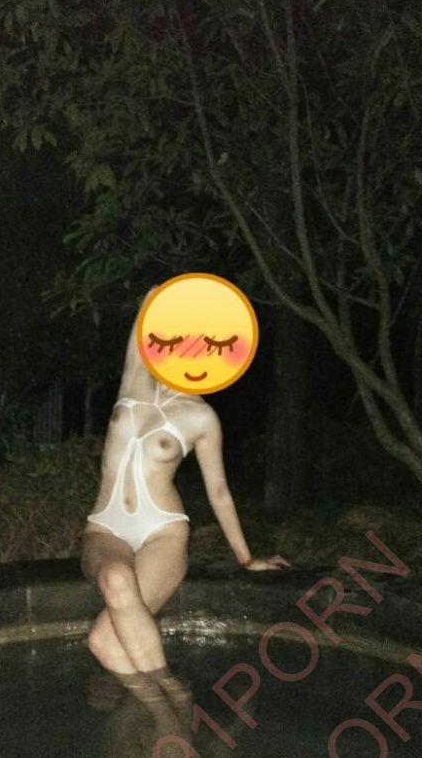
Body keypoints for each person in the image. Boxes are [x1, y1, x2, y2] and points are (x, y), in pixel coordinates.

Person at [82, 289, 289, 682]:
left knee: (106, 641)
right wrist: (180, 294)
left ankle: (168, 708)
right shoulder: (135, 379)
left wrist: (246, 558)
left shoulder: (201, 417)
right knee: (115, 583)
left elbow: (219, 492)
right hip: (105, 528)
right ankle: (175, 706)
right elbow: (148, 307)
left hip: (163, 531)